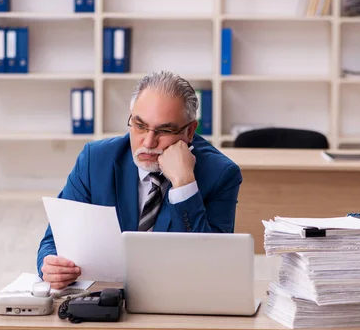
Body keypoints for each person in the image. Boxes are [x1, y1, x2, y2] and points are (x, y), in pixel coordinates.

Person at [37, 70, 243, 289]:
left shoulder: (221, 174)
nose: (149, 141)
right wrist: (50, 266)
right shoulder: (96, 160)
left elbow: (213, 265)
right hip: (106, 296)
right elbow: (53, 241)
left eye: (164, 130)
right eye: (140, 126)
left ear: (190, 131)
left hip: (177, 297)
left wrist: (184, 185)